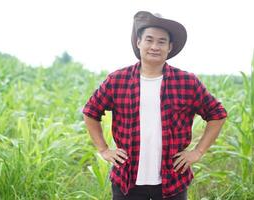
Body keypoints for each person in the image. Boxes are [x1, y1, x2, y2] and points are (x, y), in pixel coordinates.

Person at [82, 11, 227, 200]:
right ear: (138, 42)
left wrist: (198, 151)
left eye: (161, 42)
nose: (154, 46)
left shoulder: (187, 82)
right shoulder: (118, 80)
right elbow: (90, 111)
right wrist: (104, 149)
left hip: (172, 180)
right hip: (127, 179)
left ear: (169, 47)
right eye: (149, 40)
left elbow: (217, 114)